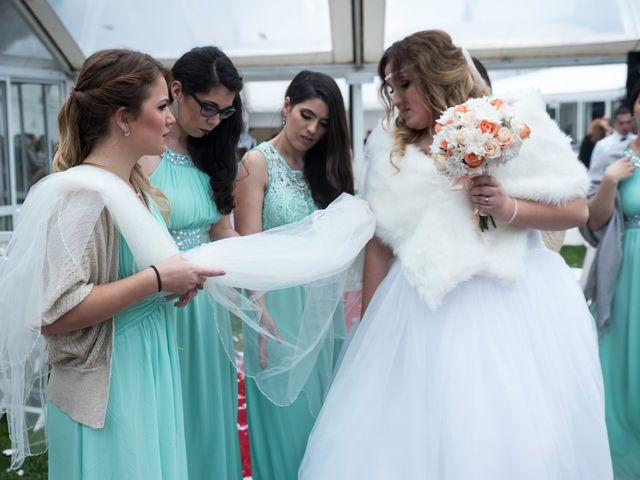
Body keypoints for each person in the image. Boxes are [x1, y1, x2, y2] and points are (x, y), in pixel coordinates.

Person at [299, 30, 612, 479]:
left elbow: (576, 208)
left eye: (405, 84)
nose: (397, 98)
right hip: (418, 309)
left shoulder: (508, 122)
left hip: (511, 306)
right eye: (391, 87)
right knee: (404, 439)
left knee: (508, 438)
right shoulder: (390, 146)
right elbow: (381, 244)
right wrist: (369, 328)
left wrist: (508, 208)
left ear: (436, 76)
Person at [0, 49, 225, 478]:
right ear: (123, 119)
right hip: (112, 378)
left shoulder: (134, 185)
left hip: (148, 362)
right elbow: (55, 311)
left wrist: (175, 281)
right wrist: (157, 280)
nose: (172, 118)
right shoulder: (84, 197)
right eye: (161, 107)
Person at [234, 70, 354, 480]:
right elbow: (247, 247)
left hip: (321, 308)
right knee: (284, 424)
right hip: (275, 309)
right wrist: (259, 314)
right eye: (306, 115)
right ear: (286, 105)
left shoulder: (327, 168)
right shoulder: (255, 163)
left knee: (323, 422)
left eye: (323, 124)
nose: (313, 129)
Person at [139, 45, 244, 480]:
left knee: (204, 410)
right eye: (208, 108)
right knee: (163, 413)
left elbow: (223, 233)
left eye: (224, 113)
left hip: (206, 309)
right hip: (156, 301)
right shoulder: (143, 156)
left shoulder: (215, 159)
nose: (214, 120)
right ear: (176, 91)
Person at [580, 82, 640, 479]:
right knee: (620, 364)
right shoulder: (612, 153)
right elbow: (593, 220)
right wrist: (609, 182)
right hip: (626, 272)